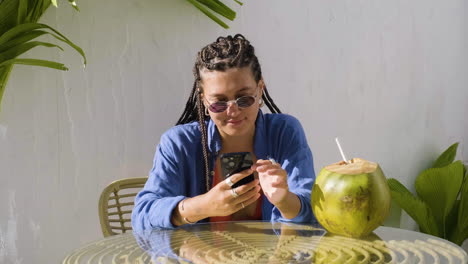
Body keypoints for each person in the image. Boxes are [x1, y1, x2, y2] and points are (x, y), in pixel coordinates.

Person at [132, 34, 316, 230]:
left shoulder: (283, 132)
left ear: (260, 89)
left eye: (244, 98)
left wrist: (284, 200)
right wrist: (202, 206)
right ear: (203, 100)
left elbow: (312, 212)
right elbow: (142, 216)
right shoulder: (179, 142)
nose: (233, 111)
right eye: (219, 102)